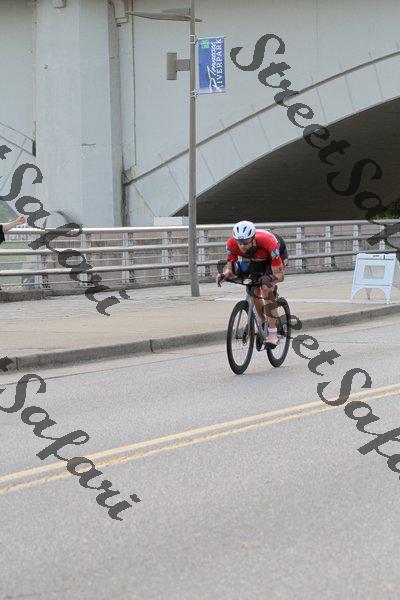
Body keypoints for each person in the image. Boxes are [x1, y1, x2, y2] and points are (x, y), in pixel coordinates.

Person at [216, 220, 288, 348]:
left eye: (246, 242)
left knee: (266, 288)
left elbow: (280, 275)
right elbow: (231, 270)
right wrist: (224, 275)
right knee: (253, 287)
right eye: (239, 242)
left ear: (253, 239)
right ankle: (262, 320)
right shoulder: (231, 244)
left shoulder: (268, 243)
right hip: (255, 257)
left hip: (272, 254)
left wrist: (269, 278)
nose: (242, 246)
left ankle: (273, 333)